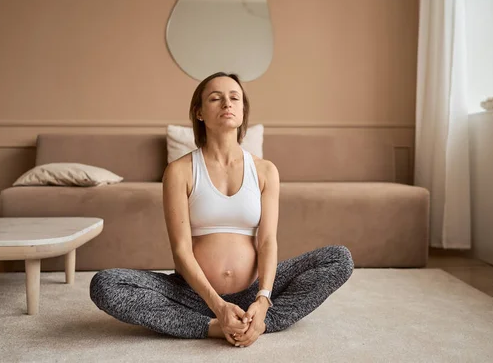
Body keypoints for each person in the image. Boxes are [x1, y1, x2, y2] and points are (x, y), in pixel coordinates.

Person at [90, 72, 354, 348]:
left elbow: (266, 241)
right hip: (195, 295)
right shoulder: (179, 171)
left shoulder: (266, 170)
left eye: (234, 98)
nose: (227, 103)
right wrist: (218, 306)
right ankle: (214, 327)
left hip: (254, 291)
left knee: (338, 258)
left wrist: (263, 299)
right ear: (199, 112)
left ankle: (259, 319)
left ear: (242, 111)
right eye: (215, 98)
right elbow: (181, 252)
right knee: (106, 284)